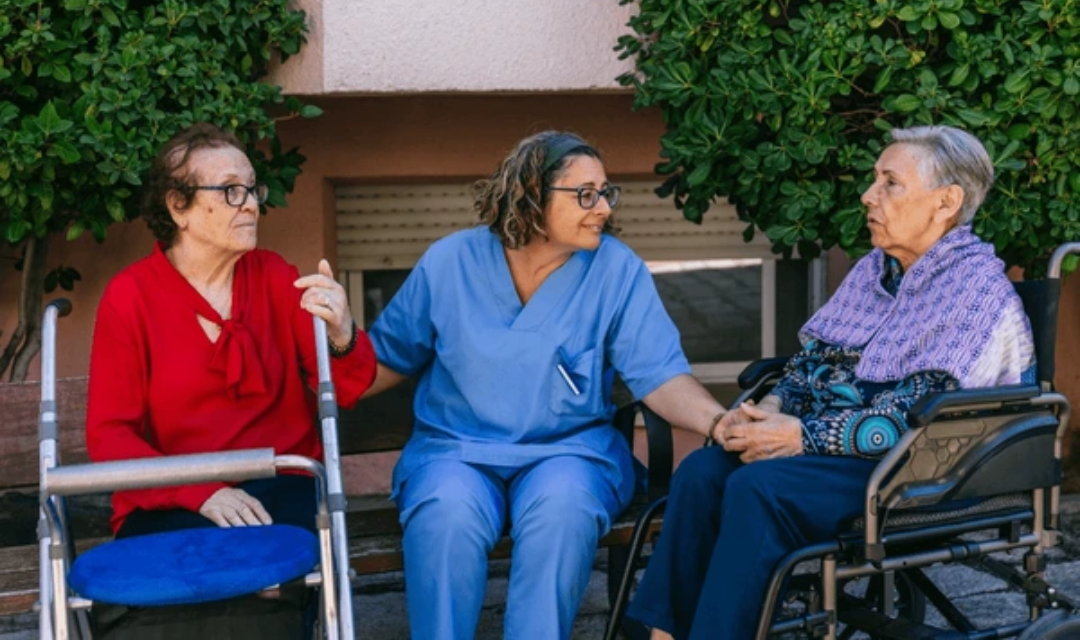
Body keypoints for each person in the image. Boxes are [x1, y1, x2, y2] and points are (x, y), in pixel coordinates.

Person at [627, 125, 1036, 640]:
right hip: (838, 455)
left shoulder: (976, 291)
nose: (869, 195)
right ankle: (663, 636)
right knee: (705, 469)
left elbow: (918, 417)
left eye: (890, 182)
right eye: (874, 181)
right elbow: (813, 363)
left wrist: (798, 436)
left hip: (925, 467)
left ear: (946, 202)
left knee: (760, 488)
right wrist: (763, 412)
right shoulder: (875, 271)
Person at [363, 131, 729, 640]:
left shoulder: (615, 270)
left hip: (568, 453)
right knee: (444, 516)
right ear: (532, 193)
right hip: (457, 452)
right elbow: (386, 358)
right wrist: (331, 357)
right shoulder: (450, 263)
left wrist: (719, 422)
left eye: (605, 193)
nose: (602, 207)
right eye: (585, 194)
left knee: (563, 511)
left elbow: (659, 373)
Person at [85, 122, 377, 636]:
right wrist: (200, 490)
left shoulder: (276, 278)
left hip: (278, 485)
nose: (251, 205)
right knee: (172, 594)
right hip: (169, 495)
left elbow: (347, 389)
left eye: (252, 189)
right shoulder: (130, 298)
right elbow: (110, 434)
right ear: (178, 206)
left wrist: (342, 331)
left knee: (267, 583)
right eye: (230, 191)